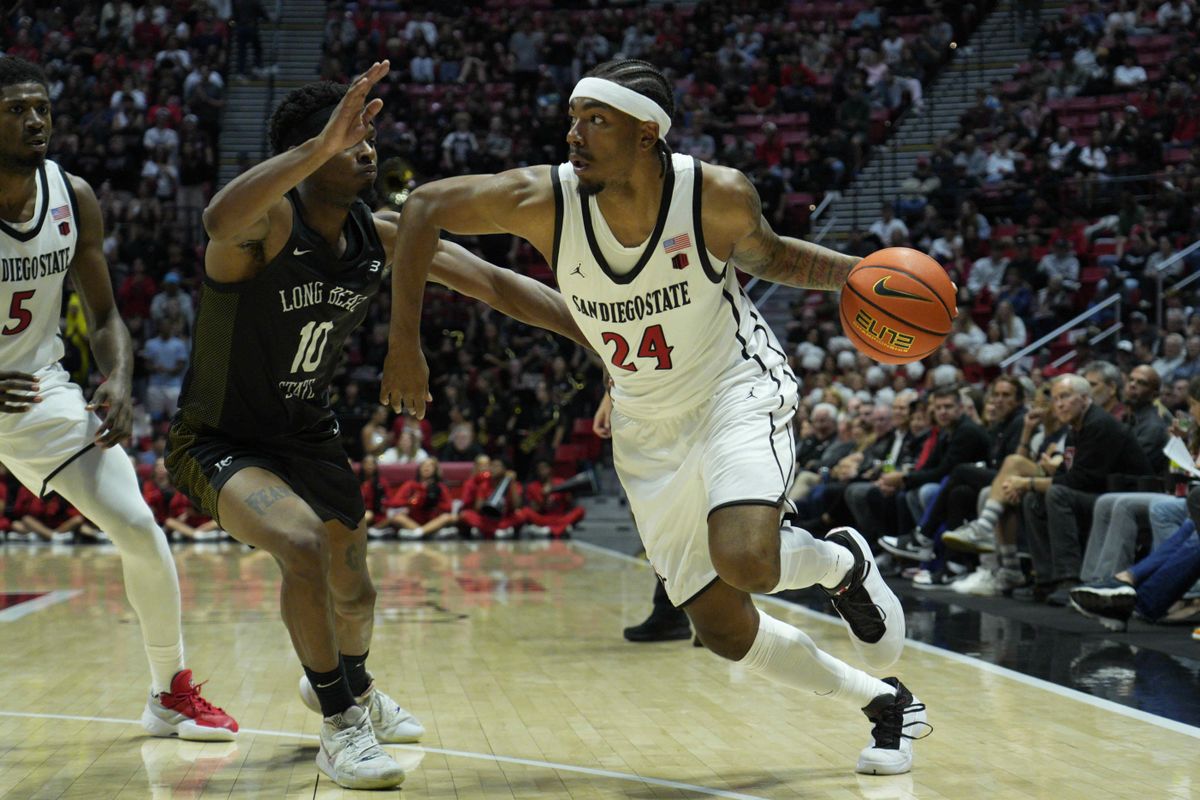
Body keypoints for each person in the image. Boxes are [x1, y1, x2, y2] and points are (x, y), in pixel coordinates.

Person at [381, 58, 928, 775]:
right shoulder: (546, 199)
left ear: (647, 134)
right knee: (724, 630)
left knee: (746, 558)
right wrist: (404, 346)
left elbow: (770, 256)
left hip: (735, 391)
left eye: (594, 119)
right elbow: (423, 207)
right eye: (572, 117)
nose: (573, 133)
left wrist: (856, 274)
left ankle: (843, 562)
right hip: (647, 423)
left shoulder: (715, 194)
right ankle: (886, 704)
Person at [167, 63, 589, 789]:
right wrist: (315, 146)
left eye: (369, 134)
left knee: (356, 595)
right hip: (219, 439)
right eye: (350, 137)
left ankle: (347, 685)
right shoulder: (265, 225)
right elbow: (216, 219)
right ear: (304, 153)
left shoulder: (381, 234)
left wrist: (602, 340)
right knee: (300, 544)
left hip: (307, 434)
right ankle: (341, 726)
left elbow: (496, 284)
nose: (368, 149)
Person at [0, 56, 237, 739]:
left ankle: (170, 693)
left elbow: (104, 319)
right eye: (16, 108)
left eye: (41, 106)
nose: (35, 119)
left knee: (137, 527)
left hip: (37, 391)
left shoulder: (72, 197)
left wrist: (119, 378)